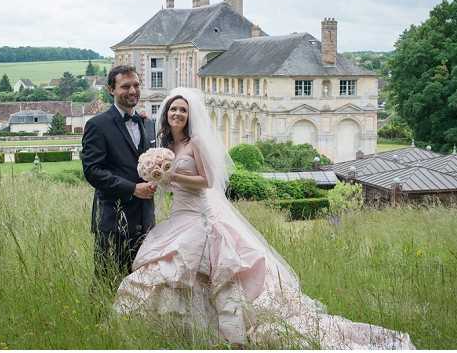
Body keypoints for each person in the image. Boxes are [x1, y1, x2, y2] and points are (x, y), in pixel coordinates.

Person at [113, 87, 416, 349]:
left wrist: (173, 174)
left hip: (200, 216)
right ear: (166, 113)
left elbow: (206, 181)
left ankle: (230, 334)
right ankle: (184, 331)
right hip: (177, 215)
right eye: (173, 109)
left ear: (190, 116)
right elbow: (169, 183)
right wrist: (159, 179)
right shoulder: (165, 147)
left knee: (204, 271)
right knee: (169, 271)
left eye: (182, 110)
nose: (176, 113)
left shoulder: (196, 144)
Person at [81, 65, 157, 284]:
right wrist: (133, 188)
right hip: (113, 220)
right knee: (107, 282)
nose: (132, 91)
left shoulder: (147, 123)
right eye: (125, 86)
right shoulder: (97, 125)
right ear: (111, 89)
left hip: (145, 219)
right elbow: (93, 172)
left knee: (141, 284)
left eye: (136, 85)